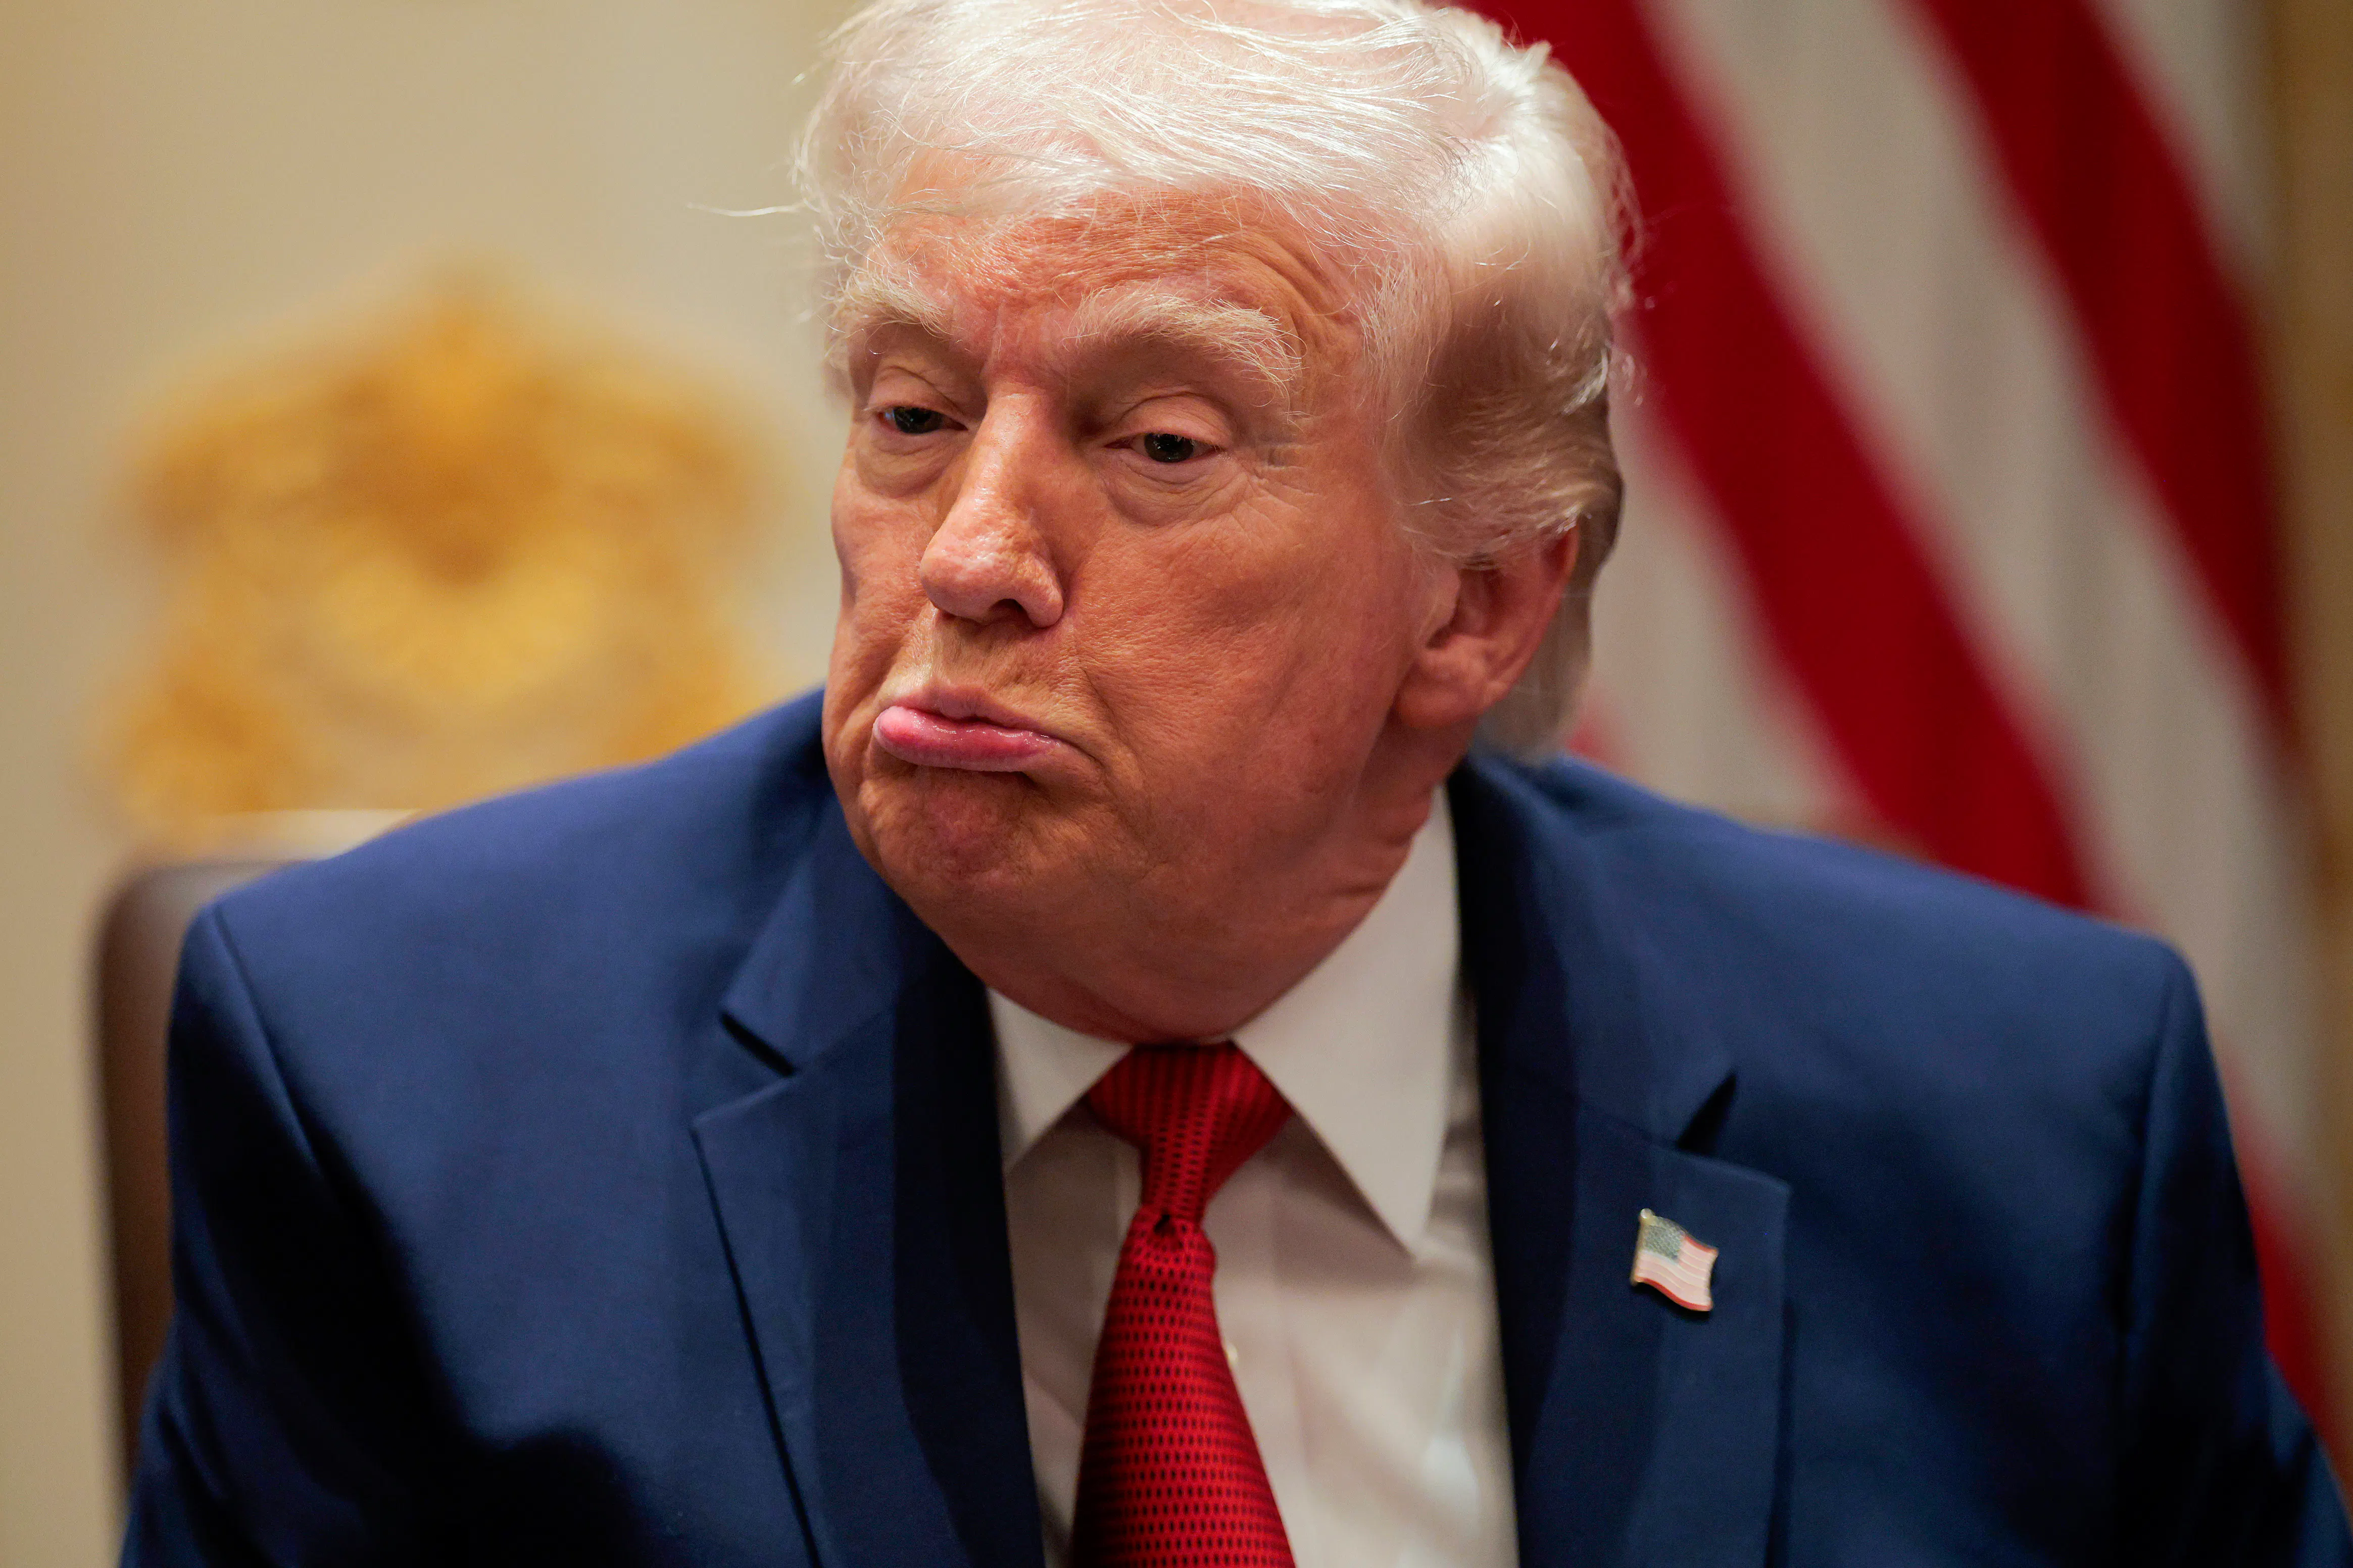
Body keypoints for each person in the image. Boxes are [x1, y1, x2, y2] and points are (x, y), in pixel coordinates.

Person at [123, 0, 2350, 1561]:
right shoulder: (403, 1088)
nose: (969, 556)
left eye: (1156, 443)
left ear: (1476, 600)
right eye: (911, 413)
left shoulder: (2016, 1120)